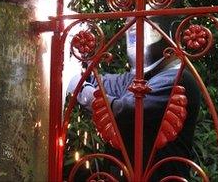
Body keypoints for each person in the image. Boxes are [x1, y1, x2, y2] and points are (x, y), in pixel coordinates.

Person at [67, 16, 201, 181]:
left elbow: (124, 110)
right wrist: (77, 70)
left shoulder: (177, 78)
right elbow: (98, 81)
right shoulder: (141, 78)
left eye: (149, 32)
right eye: (133, 34)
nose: (139, 40)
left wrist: (79, 86)